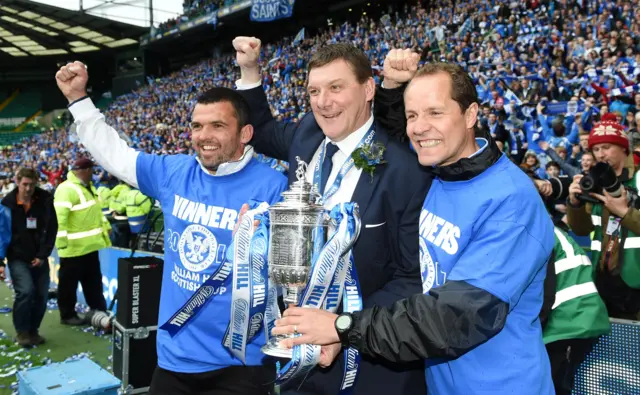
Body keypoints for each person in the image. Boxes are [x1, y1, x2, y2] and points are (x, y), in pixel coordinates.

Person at [272, 62, 555, 394]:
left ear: (470, 115)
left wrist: (343, 327)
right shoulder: (439, 174)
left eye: (435, 113)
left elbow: (454, 317)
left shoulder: (510, 201)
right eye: (412, 116)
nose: (420, 128)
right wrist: (338, 337)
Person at [56, 61, 288, 395]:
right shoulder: (174, 173)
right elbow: (115, 155)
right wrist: (78, 99)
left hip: (242, 364)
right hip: (174, 358)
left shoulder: (275, 188)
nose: (203, 136)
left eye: (217, 126)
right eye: (196, 126)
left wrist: (259, 252)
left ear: (245, 133)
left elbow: (292, 277)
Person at [234, 38, 429, 395]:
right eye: (314, 91)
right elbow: (260, 131)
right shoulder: (309, 134)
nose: (323, 102)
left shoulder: (406, 167)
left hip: (373, 365)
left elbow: (412, 278)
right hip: (299, 356)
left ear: (369, 88)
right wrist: (250, 67)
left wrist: (343, 327)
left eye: (336, 88)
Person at [567, 113, 640, 320]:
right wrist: (575, 204)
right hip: (604, 280)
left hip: (636, 282)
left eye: (607, 147)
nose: (600, 154)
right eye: (596, 149)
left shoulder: (639, 179)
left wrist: (625, 212)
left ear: (623, 148)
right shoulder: (595, 182)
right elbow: (581, 230)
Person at [0, 168, 57, 347]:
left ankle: (33, 331)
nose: (28, 188)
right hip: (17, 257)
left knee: (41, 295)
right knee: (25, 291)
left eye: (32, 185)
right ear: (17, 182)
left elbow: (52, 229)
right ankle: (22, 332)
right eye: (25, 184)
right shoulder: (7, 204)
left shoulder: (45, 201)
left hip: (39, 257)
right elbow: (1, 233)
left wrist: (42, 255)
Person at [54, 157, 112, 326]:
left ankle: (99, 310)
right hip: (72, 248)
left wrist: (106, 226)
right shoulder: (67, 189)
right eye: (92, 171)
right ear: (85, 171)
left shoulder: (87, 188)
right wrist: (62, 243)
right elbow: (60, 218)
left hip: (89, 246)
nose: (93, 174)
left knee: (93, 282)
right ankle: (67, 315)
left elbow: (95, 213)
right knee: (68, 284)